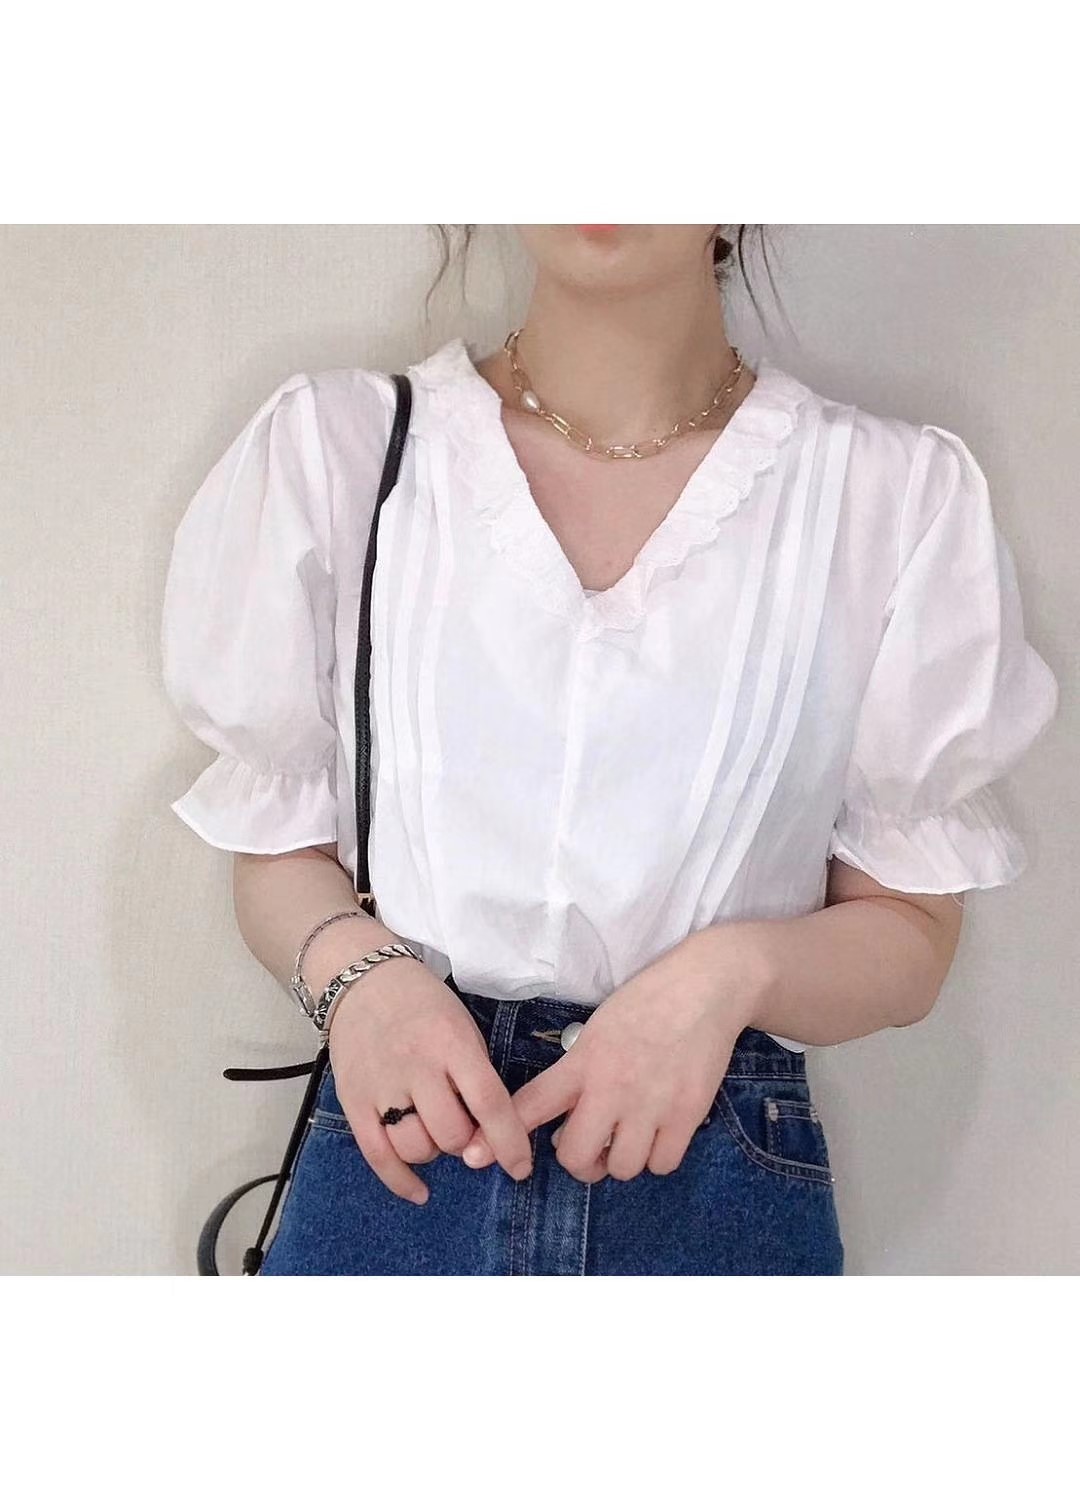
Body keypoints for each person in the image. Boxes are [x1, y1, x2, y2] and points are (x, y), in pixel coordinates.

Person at [160, 224, 1059, 1275]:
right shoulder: (345, 450)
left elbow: (909, 934)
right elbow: (276, 845)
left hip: (712, 1181)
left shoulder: (890, 498)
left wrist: (730, 978)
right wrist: (361, 982)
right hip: (400, 1158)